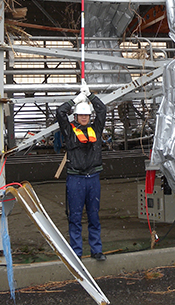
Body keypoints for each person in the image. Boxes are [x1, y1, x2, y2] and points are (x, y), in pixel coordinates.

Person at [56, 80, 107, 261]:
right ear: (76, 117)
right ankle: (76, 253)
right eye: (81, 115)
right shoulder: (69, 132)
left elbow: (103, 110)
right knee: (75, 217)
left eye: (86, 115)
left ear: (90, 117)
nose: (84, 118)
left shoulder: (96, 130)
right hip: (76, 179)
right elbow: (60, 112)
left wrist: (91, 95)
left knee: (94, 216)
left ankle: (96, 250)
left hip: (93, 178)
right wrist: (75, 101)